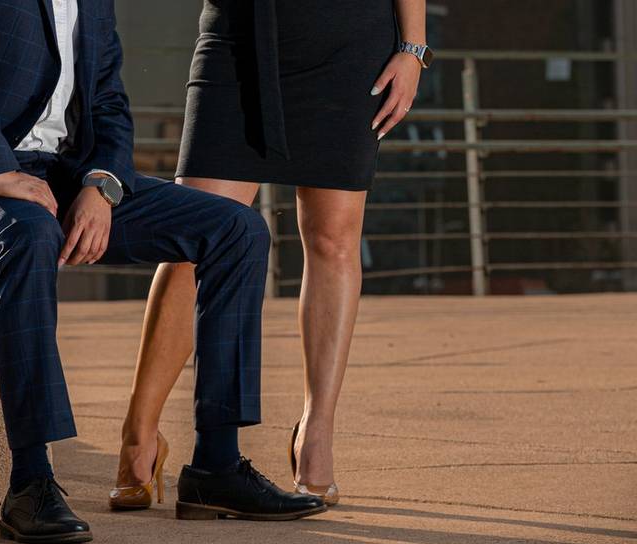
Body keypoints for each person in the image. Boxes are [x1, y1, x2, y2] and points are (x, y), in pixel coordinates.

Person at [0, 0, 325, 544]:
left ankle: (216, 467)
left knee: (236, 229)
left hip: (62, 174)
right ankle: (30, 484)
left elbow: (107, 94)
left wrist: (102, 184)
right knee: (29, 234)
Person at [112, 0, 431, 508]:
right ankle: (139, 432)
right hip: (238, 38)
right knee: (194, 237)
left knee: (333, 238)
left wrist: (412, 49)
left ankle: (317, 433)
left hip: (350, 50)